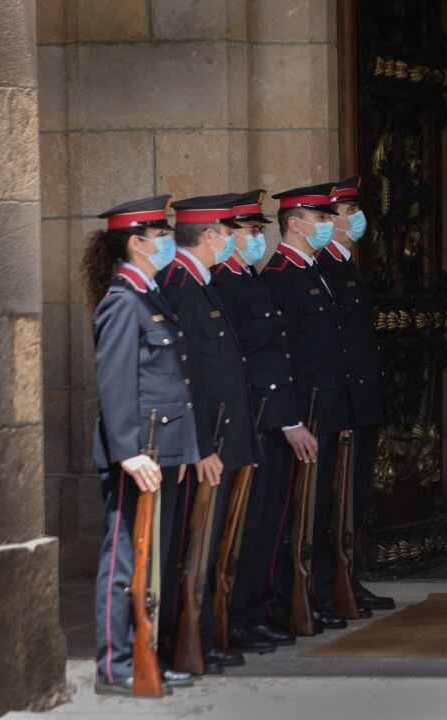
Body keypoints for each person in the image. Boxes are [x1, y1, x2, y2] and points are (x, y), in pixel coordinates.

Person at [85, 195, 200, 695]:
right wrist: (129, 452)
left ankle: (144, 651)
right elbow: (115, 385)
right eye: (162, 235)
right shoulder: (121, 301)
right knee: (126, 558)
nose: (170, 242)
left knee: (153, 559)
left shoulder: (150, 296)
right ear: (136, 242)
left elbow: (171, 382)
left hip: (162, 449)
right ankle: (114, 665)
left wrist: (180, 451)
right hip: (138, 453)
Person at [159, 194, 264, 672]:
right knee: (190, 545)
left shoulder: (203, 283)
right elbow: (184, 377)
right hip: (205, 442)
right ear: (208, 236)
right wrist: (199, 445)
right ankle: (183, 638)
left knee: (212, 545)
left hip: (223, 437)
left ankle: (202, 633)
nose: (233, 239)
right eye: (227, 231)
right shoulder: (180, 285)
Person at [209, 189, 319, 648]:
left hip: (271, 417)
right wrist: (285, 417)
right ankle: (232, 615)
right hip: (252, 418)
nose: (258, 238)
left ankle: (253, 608)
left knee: (267, 519)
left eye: (258, 230)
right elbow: (244, 360)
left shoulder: (249, 278)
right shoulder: (220, 282)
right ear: (224, 235)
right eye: (251, 231)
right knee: (244, 522)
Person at [261, 183, 369, 630]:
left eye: (330, 217)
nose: (330, 226)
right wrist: (294, 417)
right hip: (305, 412)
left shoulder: (315, 273)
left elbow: (334, 349)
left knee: (323, 508)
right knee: (296, 512)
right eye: (322, 219)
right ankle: (293, 597)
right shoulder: (281, 275)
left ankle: (318, 592)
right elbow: (285, 354)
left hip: (327, 410)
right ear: (296, 223)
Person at [322, 175, 395, 611]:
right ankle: (334, 584)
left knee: (356, 499)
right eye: (349, 212)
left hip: (362, 401)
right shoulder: (325, 269)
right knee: (337, 502)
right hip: (342, 406)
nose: (357, 218)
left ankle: (350, 579)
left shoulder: (345, 266)